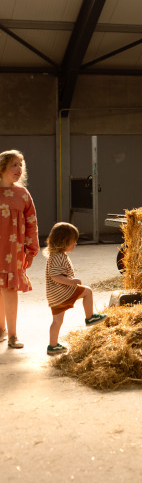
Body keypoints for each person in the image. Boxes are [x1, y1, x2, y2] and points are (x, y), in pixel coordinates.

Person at [44, 221, 106, 356]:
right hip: (63, 292)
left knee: (57, 321)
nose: (75, 244)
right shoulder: (58, 257)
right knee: (87, 292)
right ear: (63, 241)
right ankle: (90, 317)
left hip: (55, 296)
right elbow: (55, 276)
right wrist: (72, 282)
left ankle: (52, 346)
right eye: (73, 241)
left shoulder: (55, 256)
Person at [0, 149, 39, 349]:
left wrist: (31, 249)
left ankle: (13, 334)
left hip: (13, 251)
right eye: (14, 164)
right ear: (2, 168)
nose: (19, 169)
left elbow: (32, 222)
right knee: (1, 288)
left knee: (11, 287)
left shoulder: (22, 194)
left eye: (20, 165)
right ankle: (1, 329)